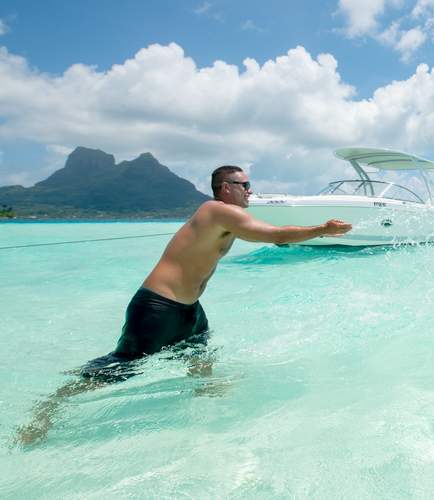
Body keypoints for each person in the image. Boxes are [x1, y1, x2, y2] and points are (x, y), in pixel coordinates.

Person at [16, 165, 351, 445]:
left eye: (250, 185)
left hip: (188, 308)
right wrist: (322, 229)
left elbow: (268, 233)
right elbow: (273, 235)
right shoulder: (217, 210)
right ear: (225, 188)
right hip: (158, 307)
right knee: (121, 369)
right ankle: (47, 408)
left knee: (199, 352)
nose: (250, 190)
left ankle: (205, 410)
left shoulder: (228, 217)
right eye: (244, 185)